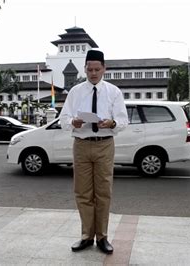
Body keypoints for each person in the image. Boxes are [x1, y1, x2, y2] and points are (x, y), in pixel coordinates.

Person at [59, 49, 128, 255]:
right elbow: (64, 119)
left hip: (105, 144)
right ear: (85, 69)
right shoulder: (75, 92)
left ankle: (103, 237)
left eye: (97, 69)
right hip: (81, 145)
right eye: (90, 69)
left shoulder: (113, 92)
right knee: (83, 192)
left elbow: (123, 121)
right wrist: (74, 121)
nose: (94, 73)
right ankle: (86, 236)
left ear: (104, 69)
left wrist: (112, 122)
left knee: (103, 192)